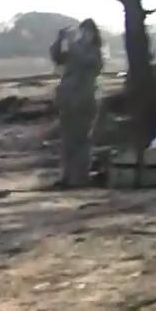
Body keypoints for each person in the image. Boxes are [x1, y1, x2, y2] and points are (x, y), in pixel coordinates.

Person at [49, 18, 105, 187]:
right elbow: (57, 58)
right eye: (83, 31)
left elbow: (88, 62)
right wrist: (60, 39)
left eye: (89, 32)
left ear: (94, 35)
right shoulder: (75, 50)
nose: (85, 35)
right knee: (67, 140)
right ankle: (67, 176)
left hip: (85, 101)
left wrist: (72, 44)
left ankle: (80, 177)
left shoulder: (95, 52)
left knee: (81, 140)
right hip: (68, 100)